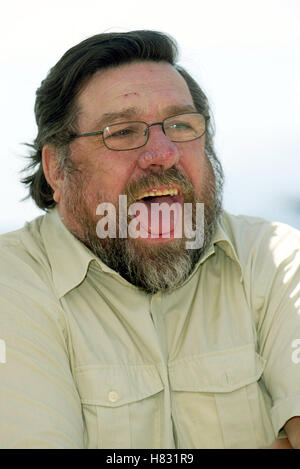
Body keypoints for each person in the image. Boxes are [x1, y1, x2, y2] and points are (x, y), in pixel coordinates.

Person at [0, 30, 299, 449]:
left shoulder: (275, 259)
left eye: (181, 125)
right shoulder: (10, 285)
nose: (163, 153)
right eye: (122, 132)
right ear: (56, 169)